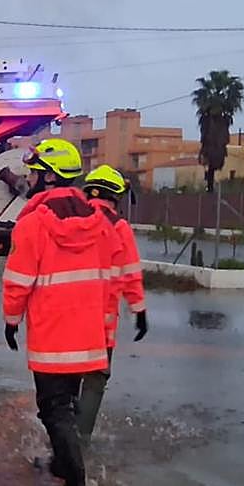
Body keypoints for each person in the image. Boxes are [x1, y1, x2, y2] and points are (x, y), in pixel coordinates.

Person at [2, 139, 122, 486]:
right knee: (66, 403)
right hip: (87, 335)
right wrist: (105, 328)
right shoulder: (101, 222)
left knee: (53, 409)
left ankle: (75, 482)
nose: (29, 179)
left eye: (35, 173)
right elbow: (110, 278)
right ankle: (62, 464)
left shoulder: (32, 223)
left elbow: (18, 280)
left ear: (50, 177)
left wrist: (11, 320)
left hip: (51, 337)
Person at [77, 165, 148, 441]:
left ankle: (60, 434)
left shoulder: (69, 221)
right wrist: (138, 310)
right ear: (116, 196)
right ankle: (81, 440)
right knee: (95, 379)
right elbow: (131, 273)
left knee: (65, 378)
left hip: (64, 318)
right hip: (101, 324)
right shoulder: (119, 227)